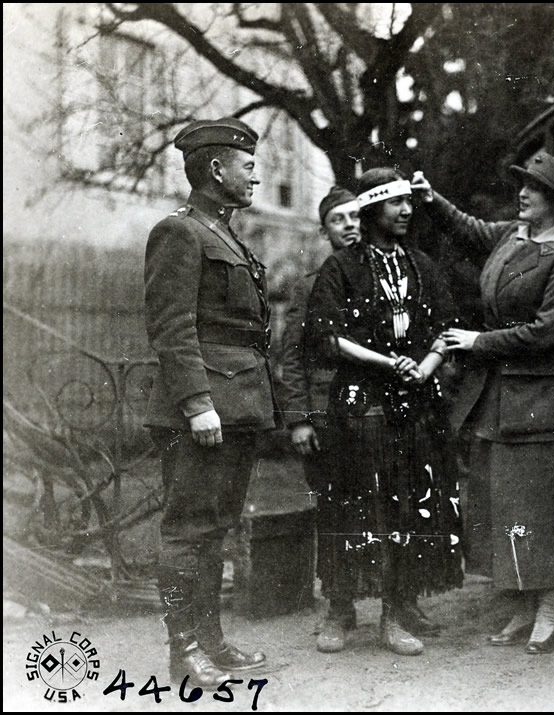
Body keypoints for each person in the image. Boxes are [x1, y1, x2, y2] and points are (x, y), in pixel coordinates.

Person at [411, 153, 554, 654]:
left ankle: (548, 608)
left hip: (541, 402)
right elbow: (469, 230)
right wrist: (432, 201)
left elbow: (546, 332)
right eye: (522, 186)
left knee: (537, 507)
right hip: (498, 399)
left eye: (533, 189)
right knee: (500, 505)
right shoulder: (514, 236)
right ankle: (519, 605)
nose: (522, 194)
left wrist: (477, 343)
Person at [302, 167, 463, 656]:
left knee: (408, 502)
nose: (407, 211)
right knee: (353, 504)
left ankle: (395, 613)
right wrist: (388, 363)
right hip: (360, 405)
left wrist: (426, 365)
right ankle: (339, 609)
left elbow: (447, 326)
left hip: (415, 403)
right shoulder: (341, 268)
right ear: (373, 210)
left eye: (410, 203)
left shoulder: (421, 265)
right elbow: (328, 336)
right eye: (396, 204)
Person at [144, 117, 274, 687]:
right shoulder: (180, 232)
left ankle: (212, 640)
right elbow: (172, 327)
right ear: (217, 169)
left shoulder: (224, 233)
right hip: (201, 407)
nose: (257, 177)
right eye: (248, 166)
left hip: (237, 401)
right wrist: (198, 403)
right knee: (186, 531)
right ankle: (185, 648)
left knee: (216, 528)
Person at [280, 186, 360, 456]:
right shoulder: (310, 287)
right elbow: (292, 354)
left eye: (355, 216)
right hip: (326, 410)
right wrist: (299, 419)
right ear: (325, 232)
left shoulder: (390, 276)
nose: (349, 225)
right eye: (338, 220)